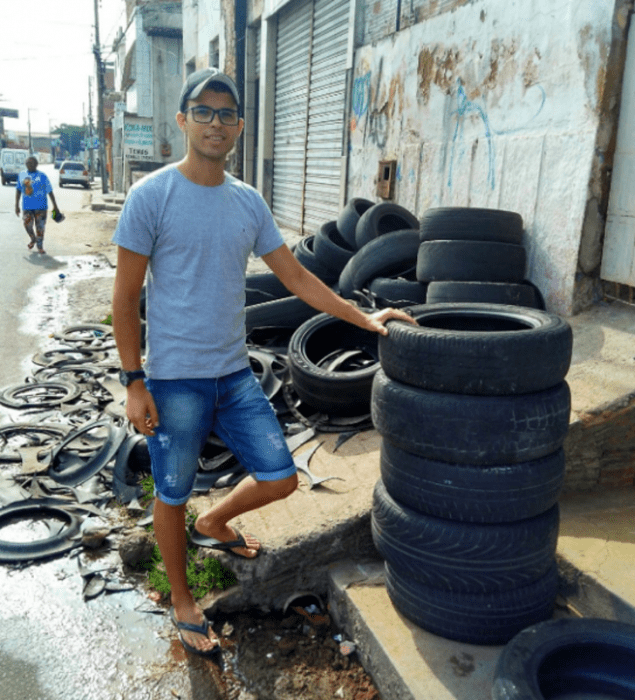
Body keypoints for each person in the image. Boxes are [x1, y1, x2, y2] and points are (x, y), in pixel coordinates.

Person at [111, 67, 416, 658]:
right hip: (173, 379)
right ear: (183, 121)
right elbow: (124, 298)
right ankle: (182, 600)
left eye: (227, 114)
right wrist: (133, 381)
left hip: (232, 372)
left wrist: (365, 319)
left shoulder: (247, 201)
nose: (215, 123)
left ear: (240, 126)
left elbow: (298, 276)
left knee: (279, 477)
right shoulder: (152, 196)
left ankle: (214, 524)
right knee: (171, 491)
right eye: (203, 111)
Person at [15, 156, 61, 255]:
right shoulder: (22, 175)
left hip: (41, 207)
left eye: (31, 163)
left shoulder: (42, 176)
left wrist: (55, 206)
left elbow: (50, 191)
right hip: (27, 206)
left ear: (36, 164)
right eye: (27, 163)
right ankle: (33, 239)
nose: (29, 165)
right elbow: (18, 190)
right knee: (27, 224)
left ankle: (40, 246)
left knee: (40, 227)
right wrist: (16, 205)